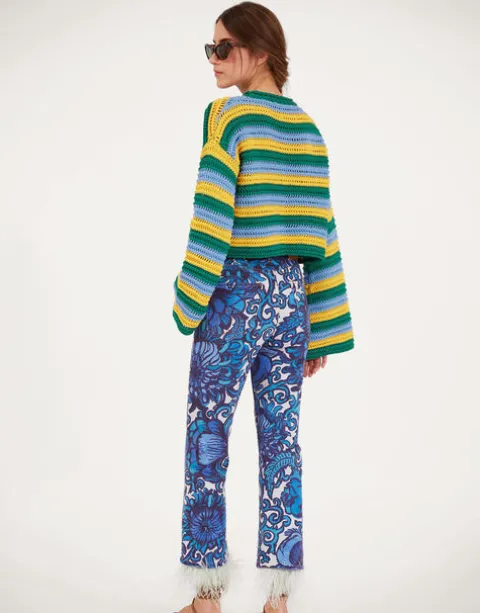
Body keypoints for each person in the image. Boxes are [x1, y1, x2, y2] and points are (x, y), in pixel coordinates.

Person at [171, 3, 355, 612]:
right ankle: (278, 601)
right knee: (282, 446)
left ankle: (205, 597)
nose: (214, 59)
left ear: (261, 51)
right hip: (291, 302)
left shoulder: (228, 119)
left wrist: (188, 298)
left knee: (208, 439)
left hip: (234, 299)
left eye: (223, 48)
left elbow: (212, 216)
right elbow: (324, 236)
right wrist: (321, 328)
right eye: (211, 49)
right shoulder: (310, 131)